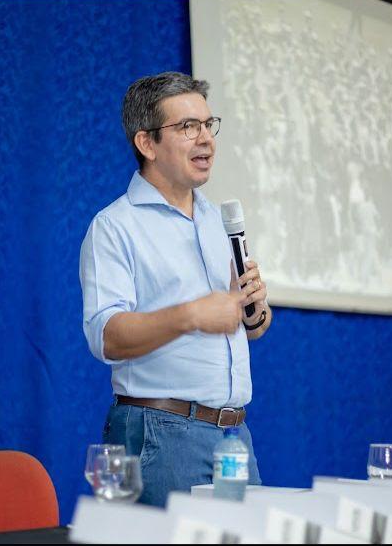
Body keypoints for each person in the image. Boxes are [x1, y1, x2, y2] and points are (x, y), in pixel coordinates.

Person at [79, 71, 272, 506]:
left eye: (208, 125)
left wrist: (253, 309)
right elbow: (106, 336)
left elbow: (251, 328)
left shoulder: (216, 221)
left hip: (234, 435)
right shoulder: (115, 226)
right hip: (161, 434)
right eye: (188, 127)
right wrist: (191, 315)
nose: (205, 139)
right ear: (146, 143)